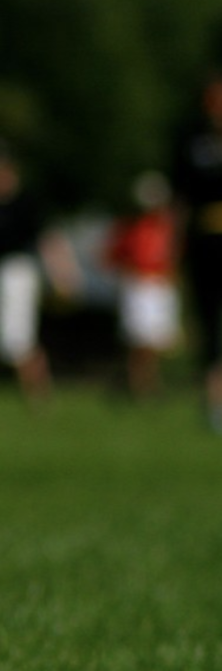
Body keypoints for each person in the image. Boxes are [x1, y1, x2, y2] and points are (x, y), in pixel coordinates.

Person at [0, 140, 78, 407]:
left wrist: (64, 273)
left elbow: (49, 239)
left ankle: (38, 401)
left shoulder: (24, 203)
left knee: (16, 340)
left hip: (13, 273)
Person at [170, 71, 222, 432]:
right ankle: (214, 403)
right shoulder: (192, 142)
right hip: (206, 243)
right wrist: (172, 246)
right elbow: (180, 200)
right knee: (210, 328)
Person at [103, 172, 180, 400]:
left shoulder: (168, 228)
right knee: (139, 339)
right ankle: (138, 386)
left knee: (157, 340)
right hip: (138, 284)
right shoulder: (130, 227)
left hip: (161, 284)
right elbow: (113, 257)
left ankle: (150, 384)